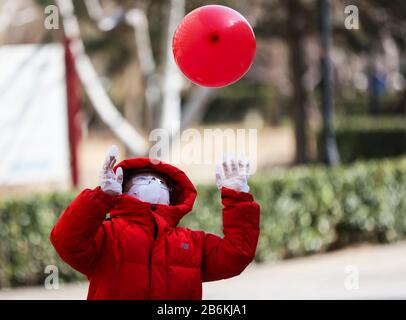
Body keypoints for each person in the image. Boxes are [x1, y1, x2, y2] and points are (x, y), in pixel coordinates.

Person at [50, 145, 260, 300]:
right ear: (124, 190)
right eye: (142, 180)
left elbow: (237, 254)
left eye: (161, 183)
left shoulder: (192, 242)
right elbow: (66, 241)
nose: (153, 184)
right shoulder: (106, 235)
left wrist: (237, 197)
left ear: (171, 196)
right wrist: (101, 197)